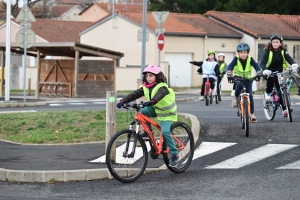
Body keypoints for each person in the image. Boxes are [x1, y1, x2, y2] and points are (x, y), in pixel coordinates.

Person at [116, 64, 179, 168]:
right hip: (156, 109)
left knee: (165, 131)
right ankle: (147, 132)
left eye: (151, 75)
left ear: (157, 77)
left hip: (167, 113)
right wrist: (123, 101)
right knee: (143, 111)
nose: (148, 78)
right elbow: (134, 94)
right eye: (147, 76)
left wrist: (152, 101)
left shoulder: (162, 86)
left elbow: (159, 95)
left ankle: (175, 154)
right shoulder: (145, 87)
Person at [260, 34, 299, 117]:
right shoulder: (268, 51)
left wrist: (294, 64)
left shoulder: (283, 51)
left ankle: (284, 109)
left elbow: (289, 58)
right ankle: (268, 92)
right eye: (273, 42)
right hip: (268, 72)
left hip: (278, 72)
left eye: (277, 42)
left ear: (280, 43)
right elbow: (262, 62)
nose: (275, 43)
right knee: (271, 78)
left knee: (280, 89)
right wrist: (264, 70)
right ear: (271, 43)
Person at [227, 43, 262, 123]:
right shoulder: (236, 59)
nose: (243, 54)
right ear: (238, 53)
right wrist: (229, 73)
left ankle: (252, 114)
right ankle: (235, 97)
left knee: (250, 94)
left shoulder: (250, 59)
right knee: (239, 85)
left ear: (247, 53)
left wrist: (259, 72)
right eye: (241, 52)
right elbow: (230, 66)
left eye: (245, 52)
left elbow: (256, 66)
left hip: (248, 79)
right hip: (238, 78)